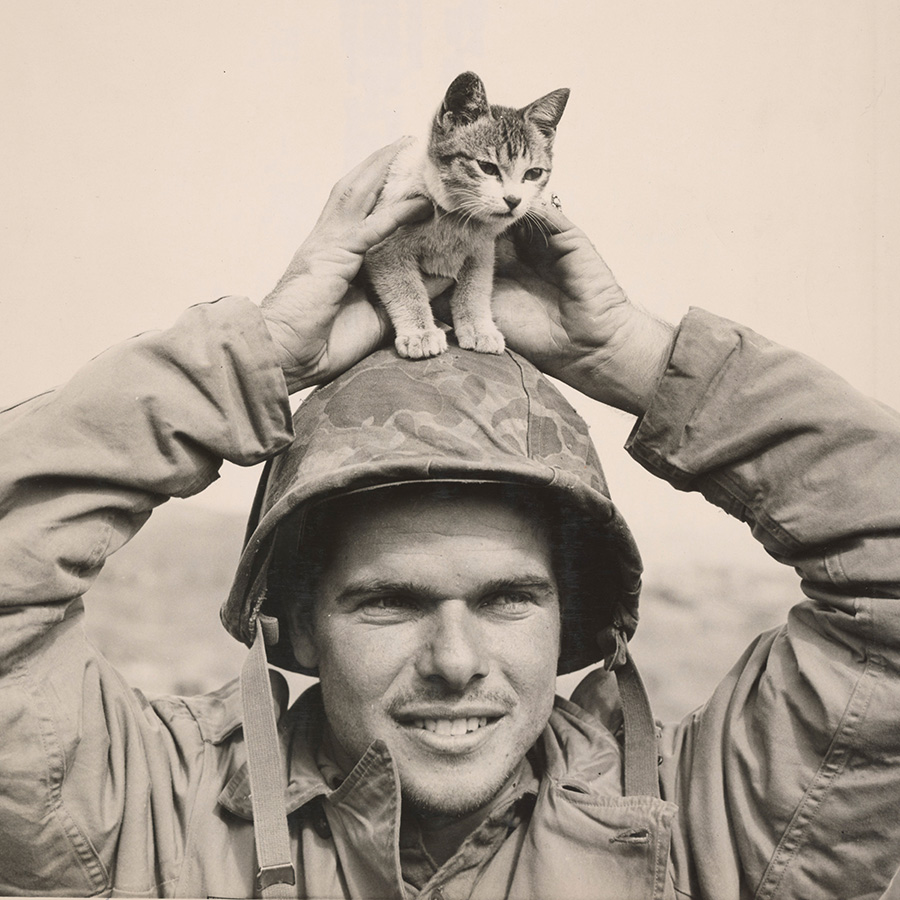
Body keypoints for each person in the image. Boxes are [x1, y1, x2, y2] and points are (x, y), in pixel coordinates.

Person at [1, 138, 899, 900]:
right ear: (298, 625)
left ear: (574, 619)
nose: (456, 663)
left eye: (510, 599)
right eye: (387, 603)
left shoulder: (709, 828)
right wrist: (258, 355)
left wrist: (629, 353)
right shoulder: (150, 814)